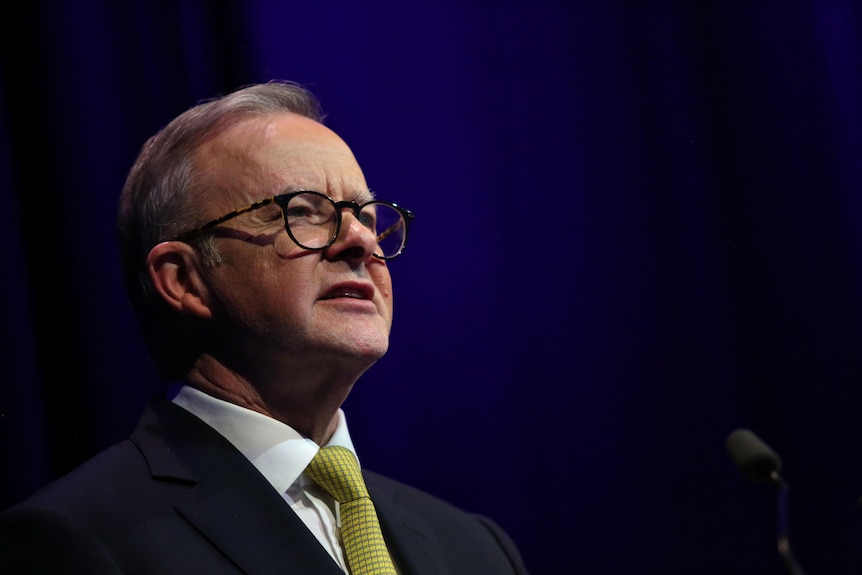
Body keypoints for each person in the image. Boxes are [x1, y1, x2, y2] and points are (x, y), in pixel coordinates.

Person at [0, 79, 529, 574]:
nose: (361, 242)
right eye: (304, 211)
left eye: (367, 216)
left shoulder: (476, 548)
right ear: (184, 279)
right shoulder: (77, 541)